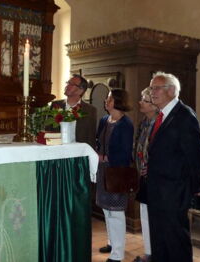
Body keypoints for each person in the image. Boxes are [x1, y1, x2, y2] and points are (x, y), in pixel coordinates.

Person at [147, 72, 200, 262]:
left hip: (174, 191)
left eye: (156, 88)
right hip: (158, 189)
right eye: (151, 88)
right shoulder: (162, 115)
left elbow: (196, 156)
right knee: (159, 237)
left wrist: (192, 188)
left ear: (171, 91)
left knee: (175, 240)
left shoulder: (184, 116)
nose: (152, 92)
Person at [96, 88, 134, 262]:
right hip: (103, 170)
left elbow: (125, 153)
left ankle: (117, 254)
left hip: (117, 172)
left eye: (109, 98)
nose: (106, 100)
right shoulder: (105, 120)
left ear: (118, 101)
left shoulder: (126, 124)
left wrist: (105, 157)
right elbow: (99, 142)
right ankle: (111, 243)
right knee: (106, 210)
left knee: (116, 212)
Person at [132, 87, 159, 262]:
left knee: (155, 217)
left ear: (154, 105)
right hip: (143, 175)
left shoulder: (160, 123)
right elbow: (139, 146)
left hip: (156, 178)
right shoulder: (144, 121)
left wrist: (150, 166)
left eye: (144, 100)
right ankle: (149, 252)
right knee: (145, 214)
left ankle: (156, 253)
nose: (140, 102)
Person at [51, 74, 96, 147]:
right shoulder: (55, 105)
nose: (67, 86)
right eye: (68, 83)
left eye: (71, 84)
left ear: (81, 90)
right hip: (57, 150)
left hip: (78, 152)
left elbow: (91, 137)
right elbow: (48, 130)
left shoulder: (90, 110)